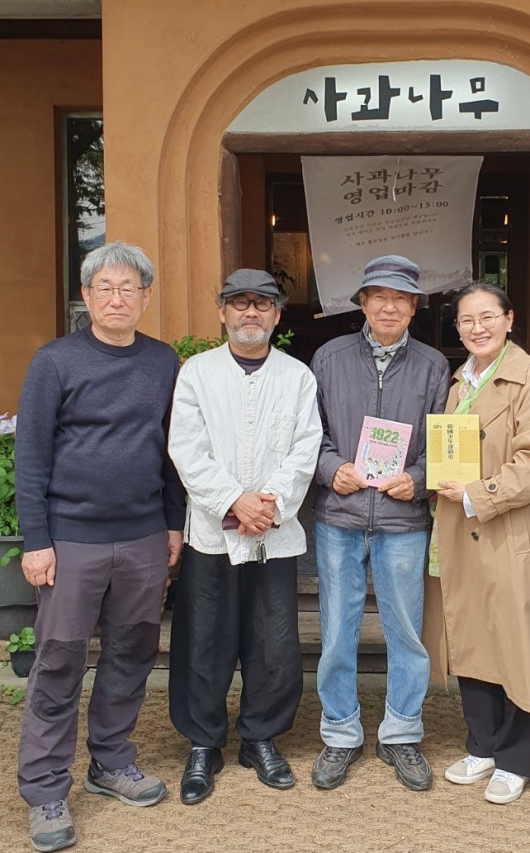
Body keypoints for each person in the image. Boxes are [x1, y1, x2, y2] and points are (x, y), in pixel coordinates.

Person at [14, 241, 185, 853]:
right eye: (104, 288)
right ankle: (44, 789)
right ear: (86, 296)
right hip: (71, 540)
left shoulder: (163, 362)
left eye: (128, 288)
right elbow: (31, 457)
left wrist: (173, 524)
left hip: (143, 536)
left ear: (145, 297)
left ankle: (111, 760)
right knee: (59, 659)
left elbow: (172, 450)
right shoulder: (54, 362)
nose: (117, 299)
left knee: (132, 652)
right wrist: (37, 541)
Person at [167, 268, 322, 805]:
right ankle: (203, 743)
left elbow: (306, 448)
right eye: (239, 303)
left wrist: (268, 503)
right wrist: (234, 500)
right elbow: (186, 449)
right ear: (222, 312)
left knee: (273, 641)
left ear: (277, 315)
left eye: (262, 303)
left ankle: (260, 737)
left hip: (273, 533)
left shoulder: (297, 377)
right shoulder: (197, 374)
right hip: (212, 533)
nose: (250, 312)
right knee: (203, 639)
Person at [422, 282, 530, 805]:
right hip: (462, 527)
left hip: (510, 529)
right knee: (471, 635)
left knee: (514, 641)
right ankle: (483, 745)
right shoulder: (460, 381)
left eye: (488, 316)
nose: (477, 328)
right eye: (467, 320)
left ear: (509, 320)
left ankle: (517, 758)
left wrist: (475, 494)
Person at [310, 255, 450, 792]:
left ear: (414, 308)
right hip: (340, 516)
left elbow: (444, 441)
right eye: (380, 297)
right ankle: (340, 732)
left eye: (401, 299)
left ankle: (401, 732)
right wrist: (331, 469)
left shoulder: (433, 365)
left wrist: (418, 478)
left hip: (403, 519)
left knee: (406, 633)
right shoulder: (329, 358)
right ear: (363, 303)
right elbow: (309, 433)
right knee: (336, 631)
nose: (389, 307)